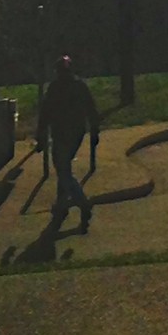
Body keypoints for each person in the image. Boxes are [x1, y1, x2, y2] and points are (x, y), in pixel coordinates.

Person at [35, 55, 100, 233]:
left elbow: (45, 113)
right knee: (64, 167)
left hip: (61, 134)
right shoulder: (80, 86)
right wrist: (95, 131)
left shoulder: (55, 88)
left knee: (64, 172)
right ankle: (61, 205)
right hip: (76, 134)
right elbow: (91, 110)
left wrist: (40, 136)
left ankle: (83, 203)